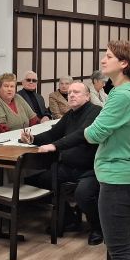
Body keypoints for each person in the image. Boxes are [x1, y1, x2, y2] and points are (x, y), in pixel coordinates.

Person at [42, 40, 130, 260]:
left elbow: (94, 133)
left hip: (117, 176)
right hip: (128, 173)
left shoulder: (121, 95)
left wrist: (90, 130)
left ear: (124, 63)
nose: (103, 60)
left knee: (119, 250)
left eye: (109, 56)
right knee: (128, 244)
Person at [22, 82, 103, 245]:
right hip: (68, 167)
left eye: (76, 92)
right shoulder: (70, 114)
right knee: (37, 181)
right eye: (70, 92)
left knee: (83, 194)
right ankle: (69, 219)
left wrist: (55, 146)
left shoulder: (95, 111)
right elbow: (53, 133)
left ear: (87, 96)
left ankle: (98, 228)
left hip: (90, 169)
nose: (71, 95)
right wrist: (33, 139)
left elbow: (81, 134)